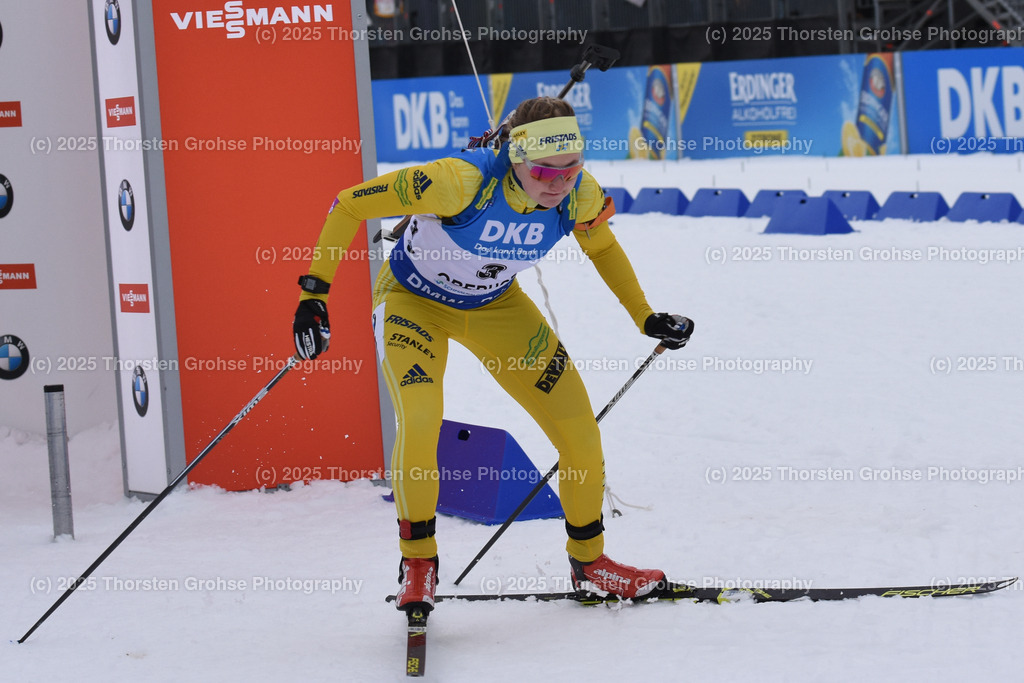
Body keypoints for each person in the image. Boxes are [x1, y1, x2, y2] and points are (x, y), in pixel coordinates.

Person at [292, 96, 693, 614]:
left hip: (497, 307)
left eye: (571, 168)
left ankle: (590, 565)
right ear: (515, 156)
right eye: (546, 170)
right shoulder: (455, 181)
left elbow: (603, 247)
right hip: (415, 302)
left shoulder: (580, 195)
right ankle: (419, 564)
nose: (559, 183)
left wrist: (645, 316)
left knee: (579, 431)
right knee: (419, 419)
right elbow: (348, 203)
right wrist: (313, 295)